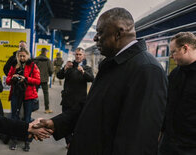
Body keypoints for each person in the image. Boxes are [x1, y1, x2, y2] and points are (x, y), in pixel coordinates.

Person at [34, 7, 168, 155]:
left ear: (119, 33)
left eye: (100, 32)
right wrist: (56, 123)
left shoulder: (147, 70)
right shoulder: (114, 64)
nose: (95, 38)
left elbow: (138, 141)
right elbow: (91, 106)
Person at [159, 32, 196, 155]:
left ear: (185, 48)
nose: (171, 56)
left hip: (190, 146)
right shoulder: (175, 73)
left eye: (173, 52)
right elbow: (167, 103)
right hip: (169, 143)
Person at [56, 47, 94, 148]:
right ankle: (69, 142)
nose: (78, 56)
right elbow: (59, 76)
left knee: (78, 123)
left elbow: (92, 79)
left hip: (80, 101)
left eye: (80, 54)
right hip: (67, 100)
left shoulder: (86, 68)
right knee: (65, 122)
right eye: (76, 54)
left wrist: (83, 72)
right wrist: (64, 68)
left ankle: (74, 141)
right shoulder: (69, 65)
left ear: (83, 56)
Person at [6, 47, 40, 152]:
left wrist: (26, 79)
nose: (21, 58)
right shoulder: (14, 65)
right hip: (16, 94)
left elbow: (38, 81)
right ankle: (14, 140)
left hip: (28, 96)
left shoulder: (33, 65)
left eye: (23, 56)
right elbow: (7, 80)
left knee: (27, 118)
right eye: (20, 56)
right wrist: (12, 78)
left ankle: (26, 141)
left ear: (27, 56)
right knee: (14, 118)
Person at [34, 48, 54, 113]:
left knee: (34, 93)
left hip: (36, 79)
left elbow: (32, 68)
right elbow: (51, 70)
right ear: (45, 52)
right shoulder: (48, 60)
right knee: (45, 94)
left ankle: (32, 107)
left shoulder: (36, 59)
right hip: (44, 79)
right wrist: (49, 75)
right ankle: (47, 109)